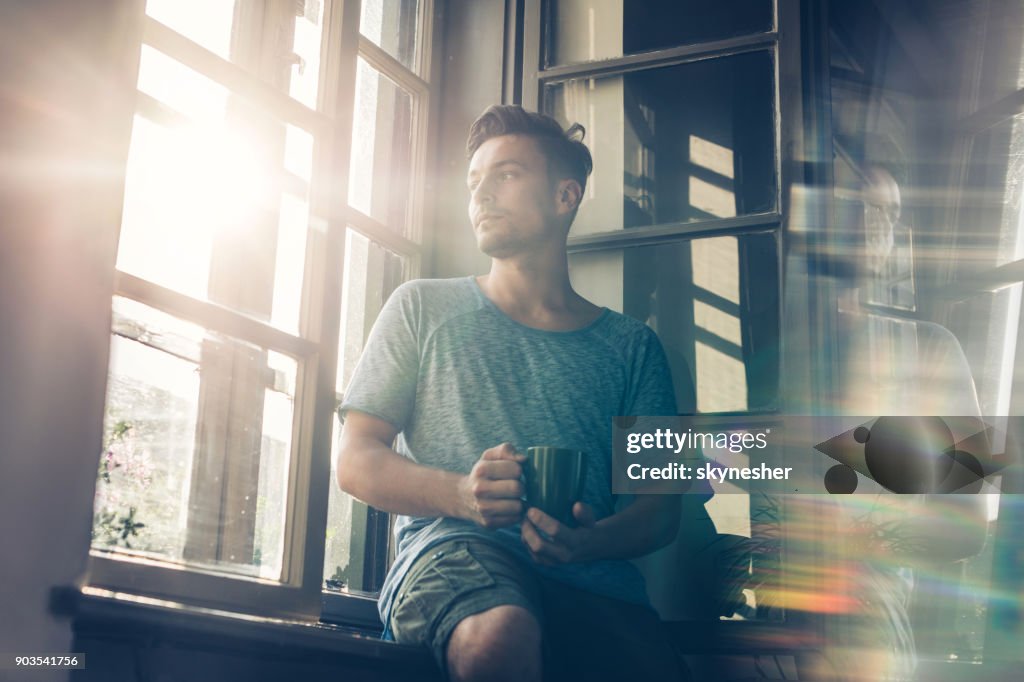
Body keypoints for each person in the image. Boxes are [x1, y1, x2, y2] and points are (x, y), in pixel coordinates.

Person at [336, 105, 689, 681]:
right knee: (499, 634)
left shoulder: (635, 347)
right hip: (455, 555)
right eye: (474, 181)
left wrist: (589, 542)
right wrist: (460, 494)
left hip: (598, 586)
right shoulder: (419, 306)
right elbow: (354, 461)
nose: (481, 195)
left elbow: (660, 513)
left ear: (564, 196)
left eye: (506, 175)